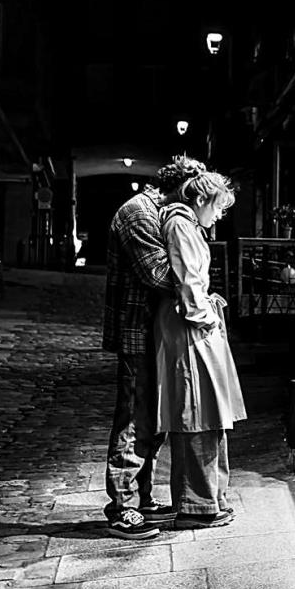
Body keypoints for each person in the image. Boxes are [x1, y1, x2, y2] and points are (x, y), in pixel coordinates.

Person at [102, 156, 204, 540]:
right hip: (138, 332)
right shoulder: (139, 214)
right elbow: (160, 274)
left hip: (157, 333)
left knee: (153, 419)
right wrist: (193, 269)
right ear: (184, 187)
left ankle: (141, 498)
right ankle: (122, 507)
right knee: (134, 419)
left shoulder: (163, 213)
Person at [154, 161, 247, 528]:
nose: (219, 215)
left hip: (191, 326)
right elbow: (189, 282)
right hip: (190, 330)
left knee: (205, 410)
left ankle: (208, 499)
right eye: (218, 206)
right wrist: (206, 316)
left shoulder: (186, 224)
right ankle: (198, 504)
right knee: (197, 410)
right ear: (202, 200)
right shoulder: (180, 225)